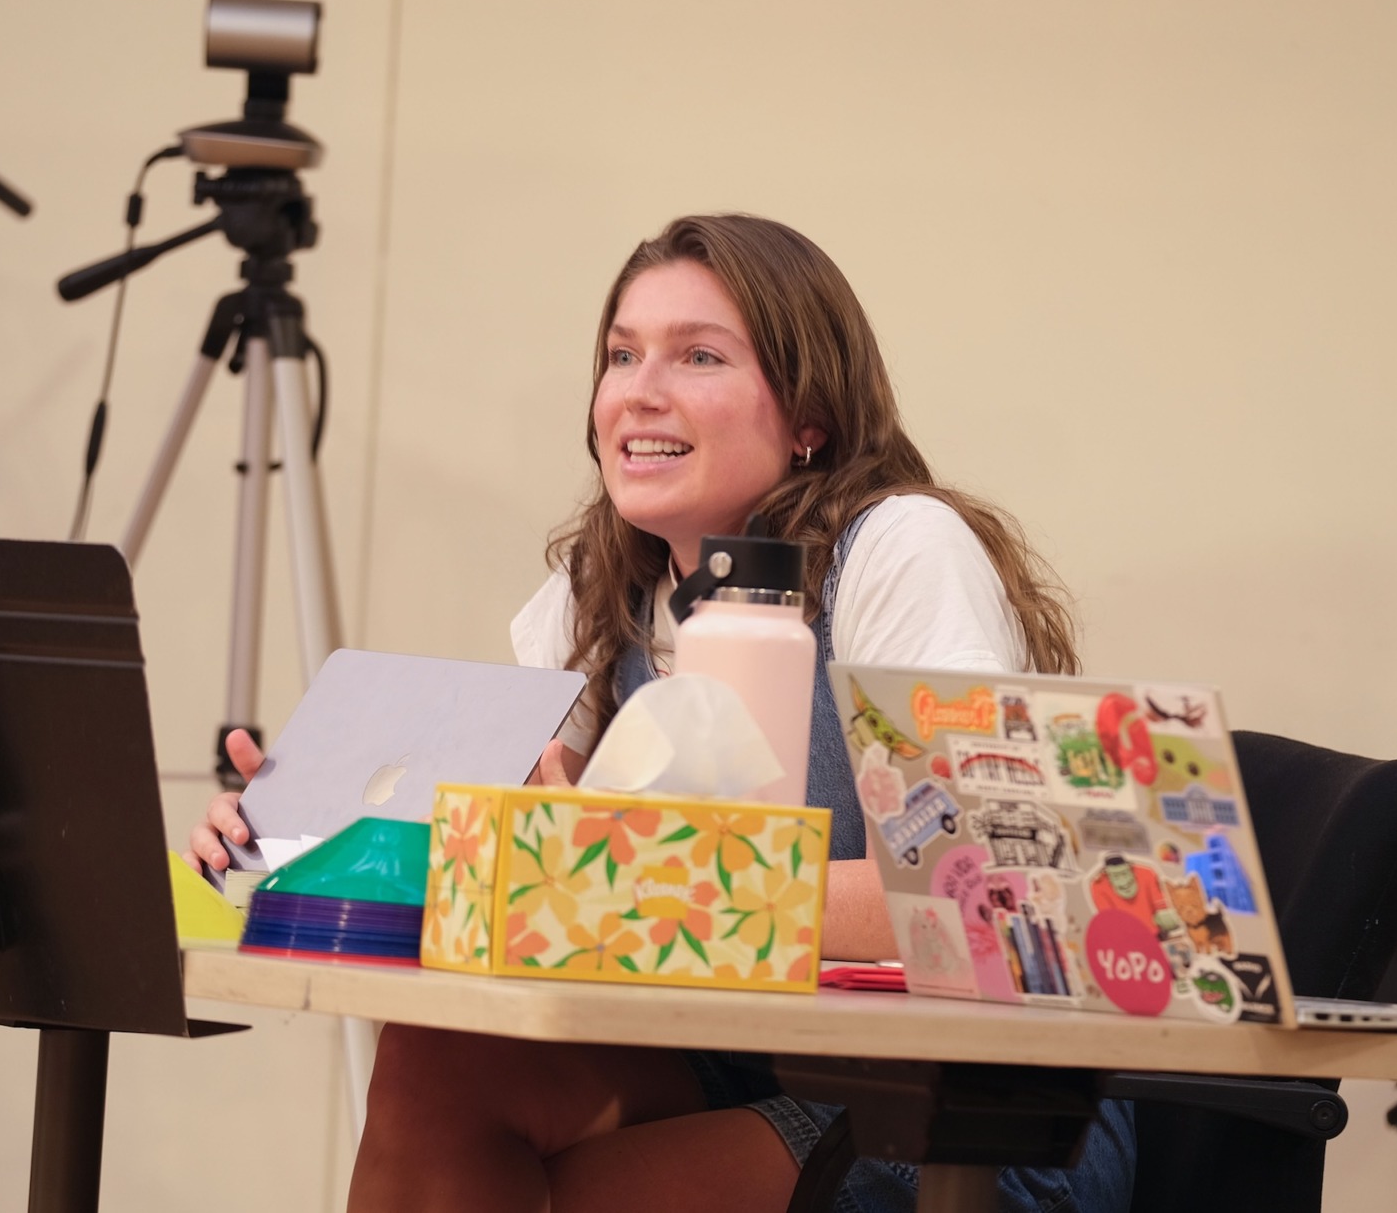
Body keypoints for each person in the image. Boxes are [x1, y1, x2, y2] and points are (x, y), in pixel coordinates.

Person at [190, 214, 1133, 1213]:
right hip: (732, 1054)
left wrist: (653, 880)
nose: (639, 391)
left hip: (951, 1098)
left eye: (698, 356)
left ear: (808, 411)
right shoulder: (598, 590)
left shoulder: (900, 548)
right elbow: (531, 886)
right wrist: (295, 837)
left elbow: (995, 890)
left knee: (572, 1194)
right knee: (438, 1062)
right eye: (621, 355)